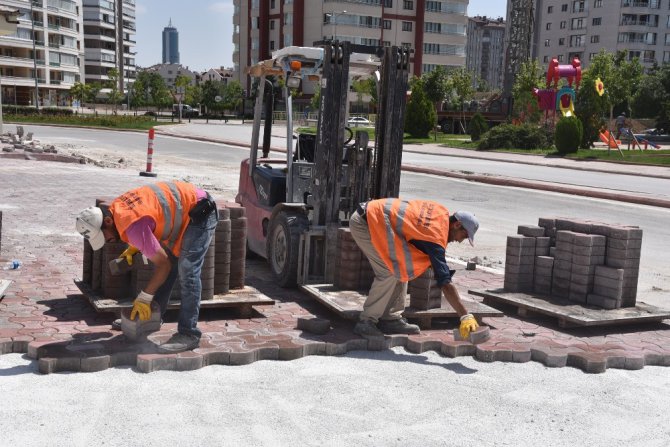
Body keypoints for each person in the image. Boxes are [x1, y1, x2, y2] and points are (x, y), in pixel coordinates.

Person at [75, 181, 218, 353]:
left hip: (199, 212)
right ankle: (151, 318)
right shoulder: (116, 209)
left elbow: (162, 264)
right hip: (185, 210)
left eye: (103, 236)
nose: (106, 241)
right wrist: (136, 245)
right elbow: (145, 219)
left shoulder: (130, 224)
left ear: (107, 220)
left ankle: (189, 334)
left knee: (188, 272)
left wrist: (144, 297)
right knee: (171, 264)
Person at [349, 198, 480, 338]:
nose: (460, 241)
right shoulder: (435, 236)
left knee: (402, 266)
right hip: (365, 223)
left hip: (377, 218)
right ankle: (366, 322)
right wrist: (465, 316)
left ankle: (390, 318)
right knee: (388, 271)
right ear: (457, 225)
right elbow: (445, 284)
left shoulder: (441, 213)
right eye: (464, 235)